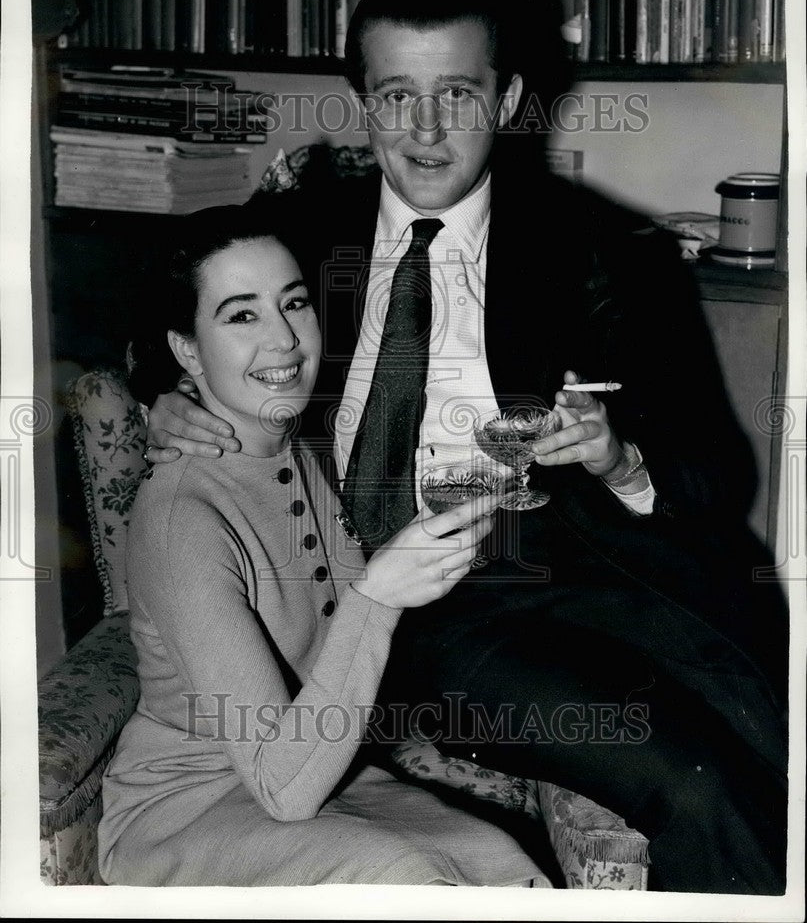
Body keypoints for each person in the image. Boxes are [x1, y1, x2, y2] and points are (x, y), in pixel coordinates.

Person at [142, 0, 788, 893]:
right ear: (363, 104)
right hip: (345, 605)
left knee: (732, 752)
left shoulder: (603, 255)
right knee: (698, 785)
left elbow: (714, 475)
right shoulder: (297, 227)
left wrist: (616, 454)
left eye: (458, 93)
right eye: (397, 96)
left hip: (527, 591)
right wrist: (169, 392)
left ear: (509, 96)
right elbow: (164, 313)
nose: (427, 130)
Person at [97, 202, 550, 887]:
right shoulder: (183, 520)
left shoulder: (295, 448)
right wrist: (378, 597)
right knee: (411, 879)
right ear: (186, 349)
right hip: (190, 811)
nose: (283, 339)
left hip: (328, 771)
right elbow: (284, 789)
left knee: (503, 869)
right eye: (241, 314)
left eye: (295, 303)